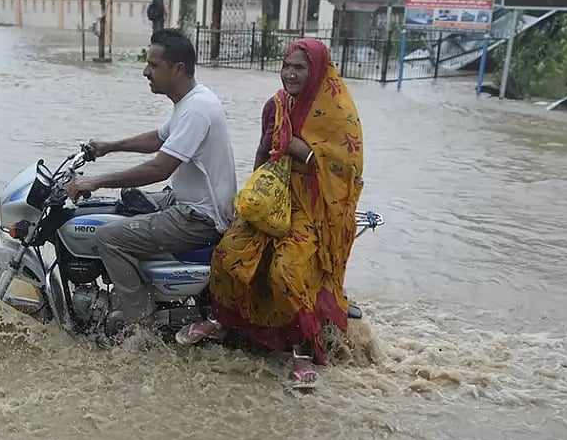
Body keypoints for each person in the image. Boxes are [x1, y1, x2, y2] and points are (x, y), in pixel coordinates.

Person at [176, 38, 366, 388]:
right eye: (286, 65)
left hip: (313, 208)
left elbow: (344, 169)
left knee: (286, 270)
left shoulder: (337, 113)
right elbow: (263, 152)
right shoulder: (275, 106)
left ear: (317, 70)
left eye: (299, 67)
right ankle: (223, 323)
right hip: (274, 198)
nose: (290, 74)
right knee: (230, 253)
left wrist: (301, 151)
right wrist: (251, 198)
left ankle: (301, 353)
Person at [66, 28, 237, 337]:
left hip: (199, 217)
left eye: (153, 65)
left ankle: (142, 327)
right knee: (116, 205)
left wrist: (96, 181)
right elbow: (159, 139)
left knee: (109, 237)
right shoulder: (191, 101)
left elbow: (161, 167)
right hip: (187, 202)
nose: (146, 71)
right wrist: (109, 146)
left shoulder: (197, 109)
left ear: (178, 69)